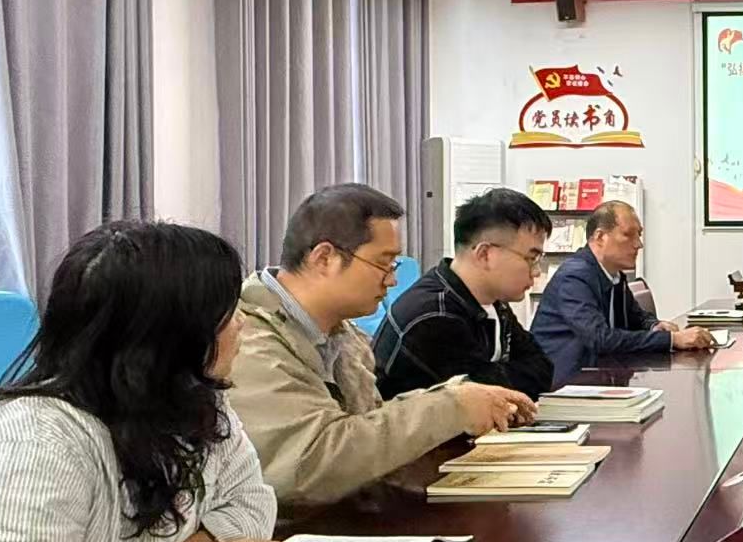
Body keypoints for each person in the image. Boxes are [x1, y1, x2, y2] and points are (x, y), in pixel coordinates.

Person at [0, 222, 305, 542]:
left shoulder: (197, 399)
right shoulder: (39, 439)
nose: (241, 322)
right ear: (166, 338)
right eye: (223, 313)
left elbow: (252, 503)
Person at [229, 184, 534, 507]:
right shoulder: (246, 340)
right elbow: (309, 464)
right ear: (325, 258)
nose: (391, 280)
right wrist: (451, 407)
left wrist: (460, 397)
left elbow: (367, 427)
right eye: (383, 264)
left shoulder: (342, 334)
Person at [375, 188, 555, 399]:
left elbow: (543, 369)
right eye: (531, 258)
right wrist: (498, 376)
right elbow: (479, 396)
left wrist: (495, 375)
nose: (536, 271)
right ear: (485, 254)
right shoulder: (434, 315)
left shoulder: (492, 302)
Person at [531, 200, 714, 384]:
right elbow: (600, 339)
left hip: (599, 375)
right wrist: (671, 339)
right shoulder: (575, 277)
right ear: (600, 237)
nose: (639, 244)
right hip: (564, 383)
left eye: (639, 235)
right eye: (629, 235)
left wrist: (655, 326)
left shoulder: (615, 275)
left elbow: (638, 317)